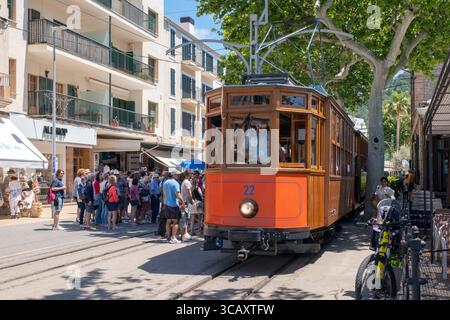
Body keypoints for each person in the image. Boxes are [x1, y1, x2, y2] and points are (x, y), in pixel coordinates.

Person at [162, 170, 185, 244]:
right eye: (177, 175)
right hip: (174, 204)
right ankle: (173, 237)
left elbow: (164, 193)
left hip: (166, 203)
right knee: (175, 221)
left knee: (168, 221)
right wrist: (183, 202)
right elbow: (178, 194)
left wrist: (164, 203)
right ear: (174, 175)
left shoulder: (165, 182)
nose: (178, 176)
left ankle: (168, 237)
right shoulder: (175, 183)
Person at [180, 171, 194, 241]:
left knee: (186, 219)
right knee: (185, 219)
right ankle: (183, 235)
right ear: (188, 175)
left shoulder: (184, 182)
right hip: (186, 202)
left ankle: (185, 233)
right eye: (192, 174)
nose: (193, 175)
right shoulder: (187, 182)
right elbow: (189, 192)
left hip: (184, 202)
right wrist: (192, 200)